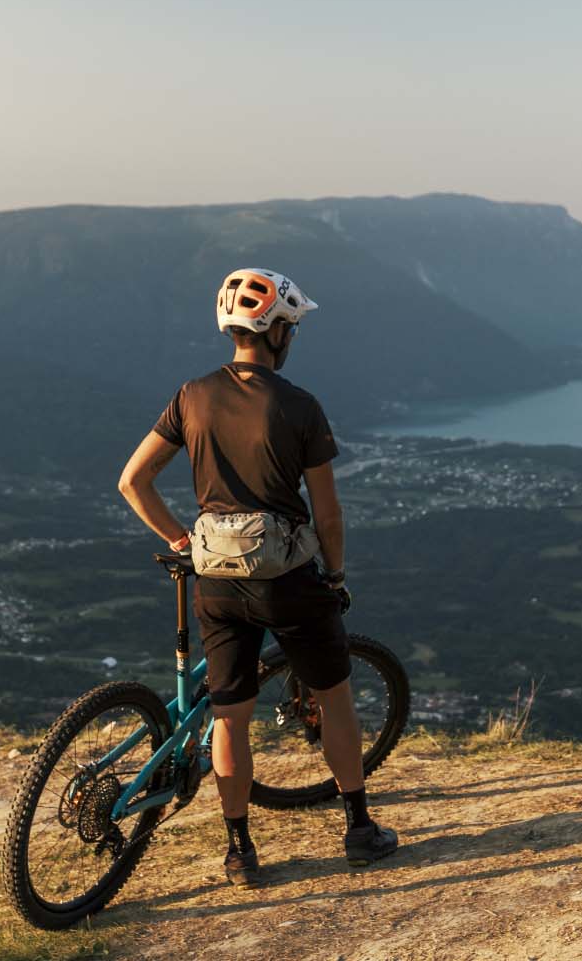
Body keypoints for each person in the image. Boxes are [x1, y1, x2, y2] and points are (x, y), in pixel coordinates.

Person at [117, 267, 398, 888]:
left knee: (229, 716)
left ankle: (239, 848)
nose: (292, 337)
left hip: (215, 579)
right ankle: (358, 828)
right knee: (334, 699)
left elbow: (132, 481)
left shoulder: (190, 396)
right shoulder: (299, 406)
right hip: (288, 579)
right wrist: (337, 573)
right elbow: (327, 512)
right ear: (274, 333)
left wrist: (181, 541)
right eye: (290, 327)